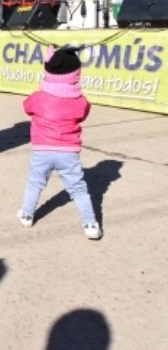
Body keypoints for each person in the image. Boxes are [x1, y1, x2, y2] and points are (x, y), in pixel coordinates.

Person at [16, 46, 102, 240]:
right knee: (78, 188)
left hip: (42, 149)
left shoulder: (38, 97)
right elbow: (84, 113)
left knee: (35, 183)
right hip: (68, 151)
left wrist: (41, 89)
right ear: (76, 74)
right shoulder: (80, 100)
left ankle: (27, 214)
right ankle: (90, 224)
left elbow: (26, 107)